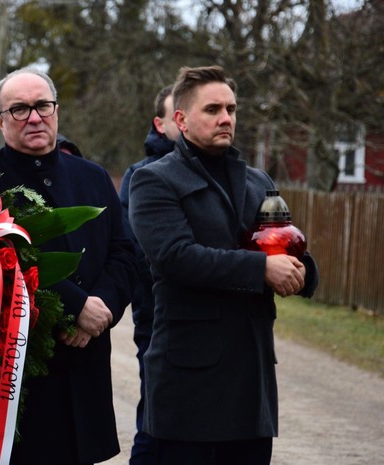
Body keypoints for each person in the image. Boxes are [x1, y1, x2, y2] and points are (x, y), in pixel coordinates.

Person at [128, 65, 319, 465]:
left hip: (251, 379)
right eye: (212, 109)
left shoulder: (258, 181)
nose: (226, 118)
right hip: (189, 381)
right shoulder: (154, 180)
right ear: (181, 120)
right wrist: (260, 270)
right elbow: (175, 257)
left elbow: (279, 245)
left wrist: (302, 270)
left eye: (231, 109)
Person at [0, 67, 137, 465]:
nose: (34, 118)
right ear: (0, 121)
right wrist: (74, 307)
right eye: (19, 109)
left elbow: (125, 254)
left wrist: (100, 309)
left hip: (86, 366)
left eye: (43, 106)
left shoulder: (93, 177)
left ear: (56, 110)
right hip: (21, 380)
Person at [118, 84, 179, 465]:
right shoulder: (141, 177)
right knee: (156, 429)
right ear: (160, 123)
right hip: (159, 325)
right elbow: (140, 256)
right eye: (178, 115)